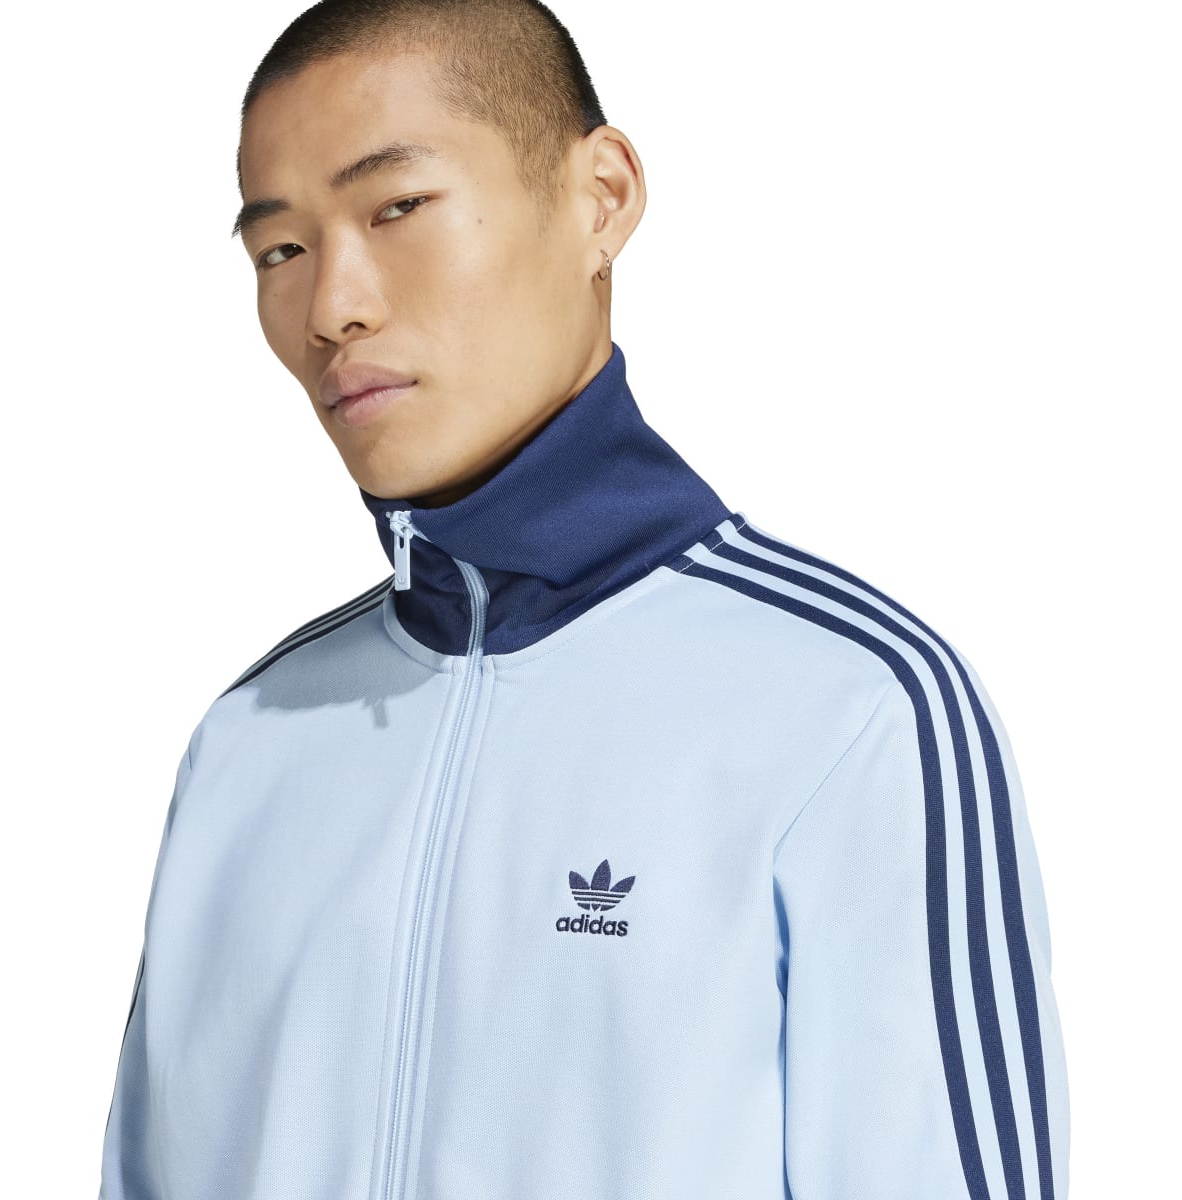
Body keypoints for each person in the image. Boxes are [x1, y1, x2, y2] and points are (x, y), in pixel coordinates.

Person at [97, 1, 1070, 1196]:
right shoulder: (248, 742)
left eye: (397, 208)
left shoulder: (851, 713)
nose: (331, 306)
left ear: (600, 198)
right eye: (279, 251)